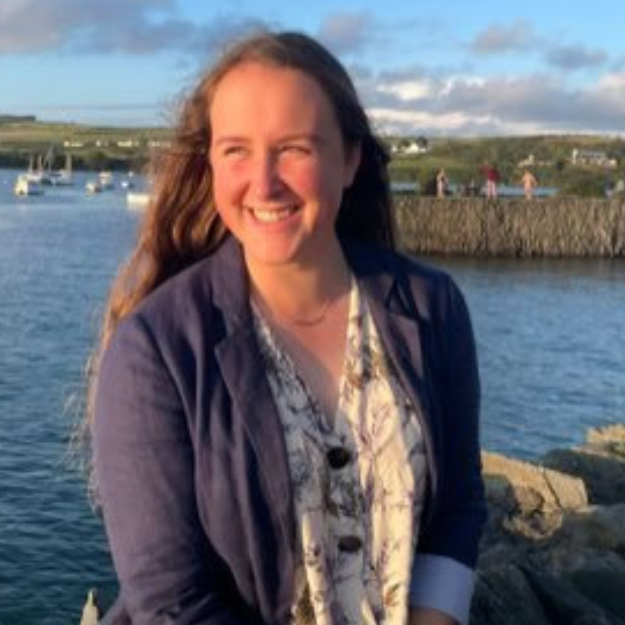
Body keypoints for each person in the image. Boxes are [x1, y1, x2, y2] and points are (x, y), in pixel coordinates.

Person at [88, 30, 486, 625]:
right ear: (210, 163)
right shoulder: (156, 349)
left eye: (294, 149)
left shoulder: (433, 309)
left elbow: (457, 506)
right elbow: (170, 600)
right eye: (236, 151)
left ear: (350, 158)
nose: (264, 181)